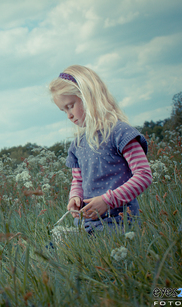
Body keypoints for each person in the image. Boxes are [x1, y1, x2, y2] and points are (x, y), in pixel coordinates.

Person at [49, 65, 153, 234]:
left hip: (120, 223)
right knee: (54, 249)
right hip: (86, 223)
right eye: (64, 111)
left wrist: (108, 201)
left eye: (71, 106)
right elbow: (78, 180)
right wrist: (75, 197)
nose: (69, 115)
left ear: (89, 96)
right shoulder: (77, 144)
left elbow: (143, 175)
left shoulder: (120, 132)